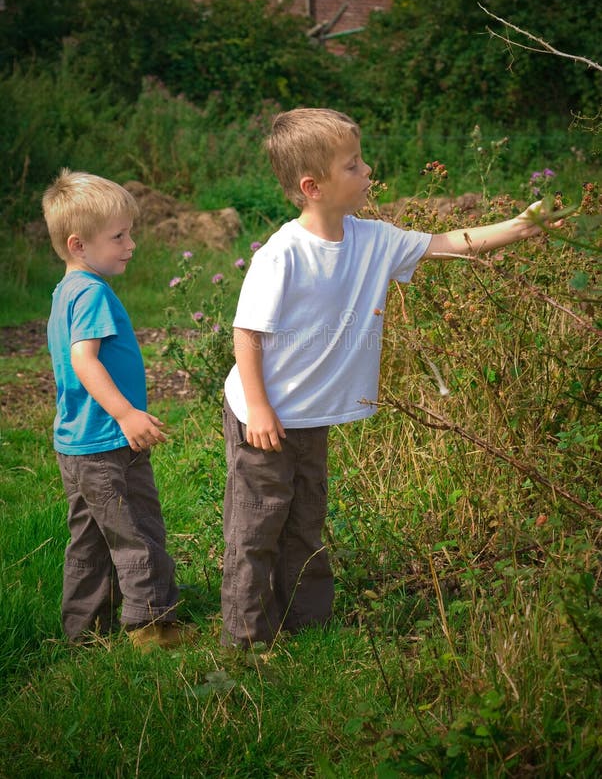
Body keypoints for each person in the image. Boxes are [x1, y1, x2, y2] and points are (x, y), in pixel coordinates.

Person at [221, 107, 558, 648]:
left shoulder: (374, 240)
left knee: (306, 523)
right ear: (313, 186)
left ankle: (308, 626)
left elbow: (449, 242)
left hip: (312, 416)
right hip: (262, 414)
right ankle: (247, 639)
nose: (368, 171)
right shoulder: (282, 255)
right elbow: (247, 335)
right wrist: (259, 409)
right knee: (258, 526)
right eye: (353, 165)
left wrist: (521, 226)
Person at [42, 169, 195, 652]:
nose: (131, 244)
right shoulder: (92, 293)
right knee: (139, 535)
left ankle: (83, 633)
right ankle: (154, 631)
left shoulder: (65, 291)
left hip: (78, 444)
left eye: (130, 232)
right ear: (78, 244)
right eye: (119, 236)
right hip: (109, 442)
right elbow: (84, 360)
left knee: (89, 543)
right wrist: (126, 414)